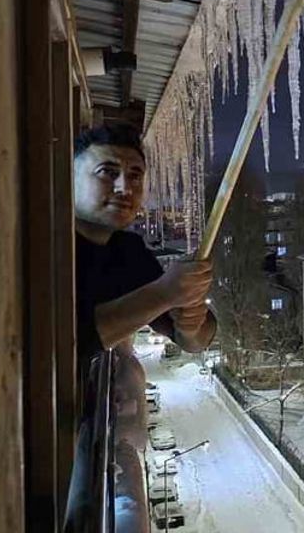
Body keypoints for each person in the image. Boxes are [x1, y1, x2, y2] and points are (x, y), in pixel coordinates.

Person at [70, 122, 215, 533]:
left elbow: (195, 340)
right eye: (107, 172)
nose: (124, 186)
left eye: (135, 175)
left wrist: (189, 315)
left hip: (98, 441)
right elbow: (69, 340)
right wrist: (166, 293)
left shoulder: (127, 252)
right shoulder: (46, 245)